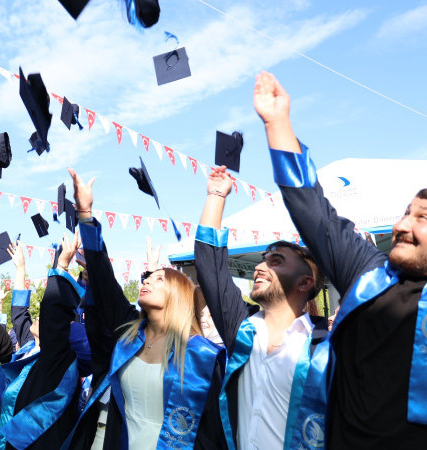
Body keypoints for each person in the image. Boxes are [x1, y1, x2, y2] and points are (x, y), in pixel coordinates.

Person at [254, 70, 427, 448]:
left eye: (422, 218)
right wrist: (278, 123)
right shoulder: (369, 273)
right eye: (405, 212)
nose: (401, 225)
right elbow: (314, 212)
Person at [64, 168, 225, 450]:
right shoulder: (129, 332)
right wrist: (86, 215)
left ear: (179, 295)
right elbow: (104, 279)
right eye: (148, 277)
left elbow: (213, 432)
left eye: (159, 279)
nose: (148, 280)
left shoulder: (201, 355)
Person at [195, 164, 329, 449]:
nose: (259, 267)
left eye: (276, 261)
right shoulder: (242, 328)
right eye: (263, 259)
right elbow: (210, 265)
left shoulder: (326, 344)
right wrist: (216, 196)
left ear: (305, 283)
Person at [0, 235, 88, 449]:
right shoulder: (29, 347)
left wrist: (62, 266)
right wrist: (20, 268)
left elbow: (53, 312)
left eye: (43, 317)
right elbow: (19, 313)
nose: (37, 317)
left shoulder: (58, 359)